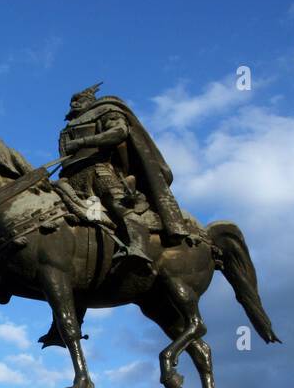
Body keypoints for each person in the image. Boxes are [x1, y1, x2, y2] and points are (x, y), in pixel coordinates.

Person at [56, 83, 196, 270]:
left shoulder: (106, 111)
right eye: (72, 101)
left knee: (117, 205)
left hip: (99, 171)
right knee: (68, 215)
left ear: (90, 100)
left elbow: (119, 132)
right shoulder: (69, 126)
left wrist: (82, 141)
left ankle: (138, 247)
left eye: (78, 99)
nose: (74, 103)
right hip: (72, 178)